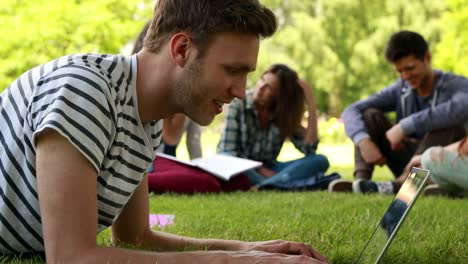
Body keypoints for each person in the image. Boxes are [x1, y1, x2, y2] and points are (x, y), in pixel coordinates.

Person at [0, 1, 329, 263]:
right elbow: (72, 258)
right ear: (182, 49)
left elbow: (136, 238)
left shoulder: (145, 119)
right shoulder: (86, 89)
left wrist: (248, 250)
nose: (242, 92)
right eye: (233, 71)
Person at [329, 30, 468, 194]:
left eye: (410, 68)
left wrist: (404, 126)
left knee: (449, 124)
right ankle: (361, 181)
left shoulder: (456, 84)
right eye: (400, 71)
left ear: (427, 58)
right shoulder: (400, 88)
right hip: (407, 159)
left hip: (438, 159)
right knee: (369, 115)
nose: (405, 76)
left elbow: (459, 109)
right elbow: (352, 109)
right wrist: (363, 141)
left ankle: (403, 184)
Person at [217, 63, 330, 190]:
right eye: (262, 80)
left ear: (279, 95)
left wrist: (311, 104)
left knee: (320, 160)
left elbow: (309, 149)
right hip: (241, 166)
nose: (260, 88)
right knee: (227, 160)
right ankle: (279, 183)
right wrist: (261, 170)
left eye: (268, 88)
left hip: (271, 168)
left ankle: (267, 185)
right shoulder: (239, 104)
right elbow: (229, 150)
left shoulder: (283, 114)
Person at [133, 22, 202, 160]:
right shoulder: (134, 94)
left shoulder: (189, 95)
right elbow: (170, 134)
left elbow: (191, 143)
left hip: (166, 161)